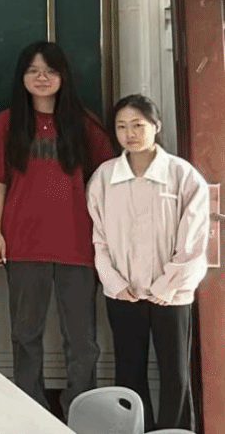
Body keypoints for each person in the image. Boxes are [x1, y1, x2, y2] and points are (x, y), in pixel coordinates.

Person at [0, 41, 115, 415]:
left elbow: (107, 181)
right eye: (33, 70)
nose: (41, 78)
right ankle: (30, 410)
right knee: (25, 335)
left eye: (50, 70)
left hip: (78, 245)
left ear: (63, 76)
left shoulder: (85, 124)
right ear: (22, 77)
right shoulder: (4, 124)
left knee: (82, 339)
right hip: (23, 242)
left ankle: (81, 410)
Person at [87, 94, 209, 432]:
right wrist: (114, 283)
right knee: (128, 372)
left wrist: (168, 285)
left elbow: (194, 239)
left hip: (172, 294)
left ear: (156, 126)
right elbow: (98, 238)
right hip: (124, 292)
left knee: (175, 373)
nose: (129, 134)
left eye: (138, 125)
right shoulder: (104, 177)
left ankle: (174, 431)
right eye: (121, 126)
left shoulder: (182, 175)